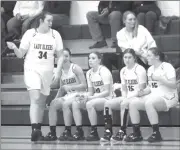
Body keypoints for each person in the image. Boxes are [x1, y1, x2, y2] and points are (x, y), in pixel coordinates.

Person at [6, 11, 64, 142]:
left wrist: (58, 70)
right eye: (48, 20)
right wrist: (14, 47)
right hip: (32, 69)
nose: (51, 23)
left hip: (47, 71)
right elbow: (21, 54)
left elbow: (60, 56)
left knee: (42, 101)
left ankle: (38, 130)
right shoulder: (30, 33)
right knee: (36, 97)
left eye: (51, 21)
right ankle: (34, 130)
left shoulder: (55, 35)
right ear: (41, 21)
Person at [125, 47, 179, 142]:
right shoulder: (150, 69)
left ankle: (156, 133)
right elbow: (151, 87)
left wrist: (160, 78)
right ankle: (137, 133)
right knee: (133, 103)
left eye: (149, 55)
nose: (146, 57)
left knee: (149, 103)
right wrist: (143, 92)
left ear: (157, 57)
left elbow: (174, 85)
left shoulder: (167, 67)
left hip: (168, 97)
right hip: (154, 96)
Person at [100, 48, 147, 143]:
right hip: (128, 96)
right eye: (125, 57)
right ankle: (108, 131)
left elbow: (142, 89)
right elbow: (124, 89)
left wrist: (127, 98)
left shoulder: (140, 69)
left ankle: (123, 131)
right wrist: (125, 97)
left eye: (129, 57)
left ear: (134, 58)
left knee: (124, 103)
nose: (127, 59)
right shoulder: (123, 71)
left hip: (139, 97)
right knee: (107, 104)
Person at [43, 48, 87, 141]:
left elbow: (84, 86)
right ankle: (52, 132)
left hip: (79, 94)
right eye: (62, 57)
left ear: (70, 57)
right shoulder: (60, 71)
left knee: (65, 104)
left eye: (66, 56)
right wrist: (55, 99)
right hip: (69, 96)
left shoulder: (75, 68)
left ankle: (68, 131)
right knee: (53, 104)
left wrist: (71, 87)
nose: (64, 58)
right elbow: (62, 88)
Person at [71, 52, 114, 141]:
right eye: (89, 58)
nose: (90, 60)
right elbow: (90, 92)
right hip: (96, 98)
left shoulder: (104, 71)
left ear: (99, 60)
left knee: (89, 104)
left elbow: (107, 92)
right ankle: (79, 131)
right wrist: (83, 96)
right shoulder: (89, 73)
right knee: (75, 103)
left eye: (93, 58)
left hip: (108, 98)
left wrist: (91, 98)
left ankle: (94, 132)